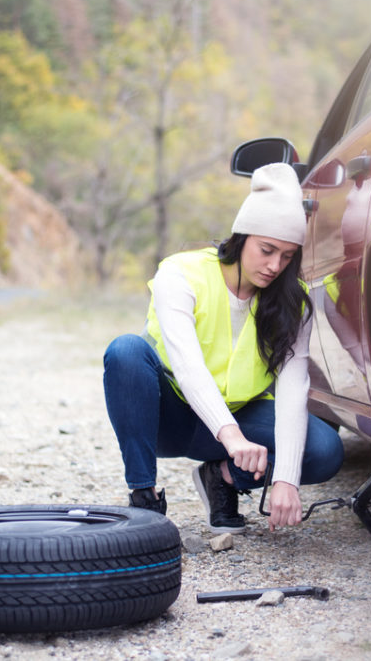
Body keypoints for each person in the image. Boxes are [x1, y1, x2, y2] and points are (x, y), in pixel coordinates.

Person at [103, 163, 344, 533]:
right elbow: (188, 367)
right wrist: (231, 437)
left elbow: (293, 389)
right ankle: (144, 497)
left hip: (242, 419)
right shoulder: (181, 274)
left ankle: (222, 479)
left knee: (325, 451)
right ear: (242, 237)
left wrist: (285, 478)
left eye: (287, 256)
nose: (275, 266)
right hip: (171, 417)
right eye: (267, 250)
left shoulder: (291, 302)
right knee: (125, 351)